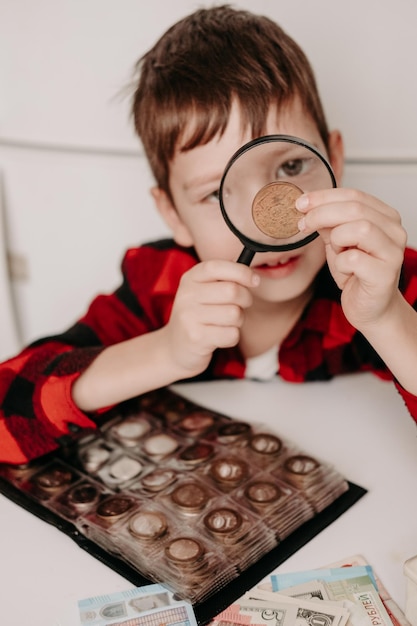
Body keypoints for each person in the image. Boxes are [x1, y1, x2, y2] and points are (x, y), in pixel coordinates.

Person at [1, 4, 416, 465]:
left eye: (292, 167)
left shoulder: (381, 276)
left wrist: (389, 321)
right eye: (217, 196)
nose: (264, 224)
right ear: (172, 213)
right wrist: (166, 351)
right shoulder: (155, 287)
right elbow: (5, 412)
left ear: (334, 161)